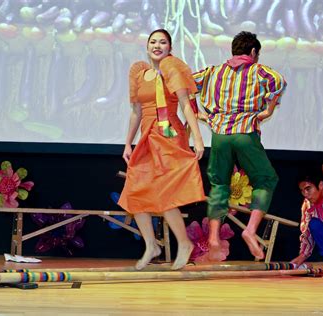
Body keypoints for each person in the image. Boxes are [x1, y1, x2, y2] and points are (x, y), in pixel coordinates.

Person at [192, 31, 287, 260]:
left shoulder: (213, 71)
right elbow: (279, 81)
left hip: (220, 135)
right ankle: (250, 230)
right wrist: (268, 110)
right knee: (265, 179)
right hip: (245, 133)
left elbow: (185, 84)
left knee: (219, 184)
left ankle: (214, 236)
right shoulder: (258, 70)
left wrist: (200, 114)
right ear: (253, 52)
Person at [118, 29, 206, 270]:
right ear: (147, 47)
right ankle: (151, 245)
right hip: (147, 136)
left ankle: (184, 244)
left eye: (163, 42)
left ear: (170, 48)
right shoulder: (140, 74)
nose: (157, 46)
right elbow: (136, 112)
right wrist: (128, 142)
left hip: (168, 136)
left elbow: (187, 106)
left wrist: (198, 139)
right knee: (136, 193)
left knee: (166, 194)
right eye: (153, 42)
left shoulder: (172, 69)